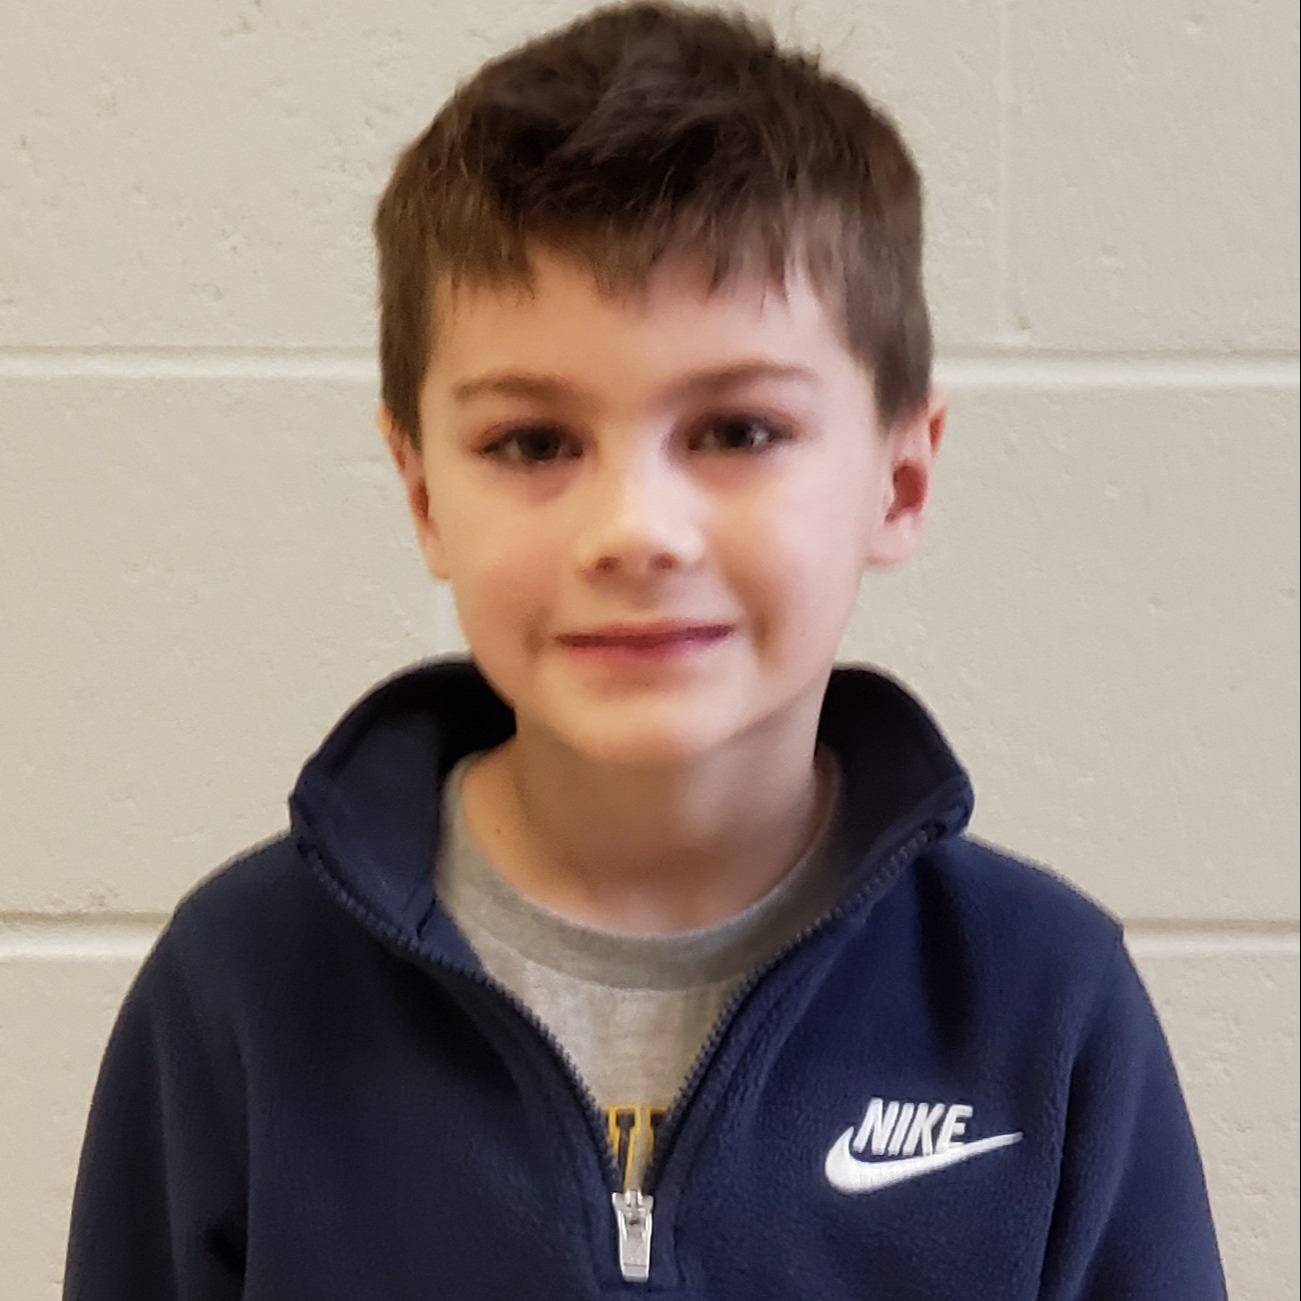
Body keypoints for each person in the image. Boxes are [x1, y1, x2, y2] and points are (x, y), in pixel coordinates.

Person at [63, 3, 1227, 1297]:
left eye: (734, 431)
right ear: (422, 494)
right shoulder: (241, 991)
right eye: (532, 442)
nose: (634, 530)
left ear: (897, 479)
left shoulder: (1041, 1005)